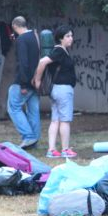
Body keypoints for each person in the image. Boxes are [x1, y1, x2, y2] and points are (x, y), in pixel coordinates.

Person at [32, 25, 78, 158]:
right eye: (67, 36)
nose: (71, 38)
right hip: (63, 89)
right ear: (60, 39)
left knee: (55, 120)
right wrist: (38, 80)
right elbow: (42, 62)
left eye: (71, 35)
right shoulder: (59, 51)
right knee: (65, 120)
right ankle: (65, 149)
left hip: (56, 89)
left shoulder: (62, 51)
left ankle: (52, 150)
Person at [8, 16, 41, 149]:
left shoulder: (21, 39)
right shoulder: (35, 36)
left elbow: (24, 63)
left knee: (13, 108)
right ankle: (34, 141)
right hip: (36, 79)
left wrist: (23, 84)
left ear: (15, 26)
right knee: (33, 110)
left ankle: (29, 137)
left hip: (25, 80)